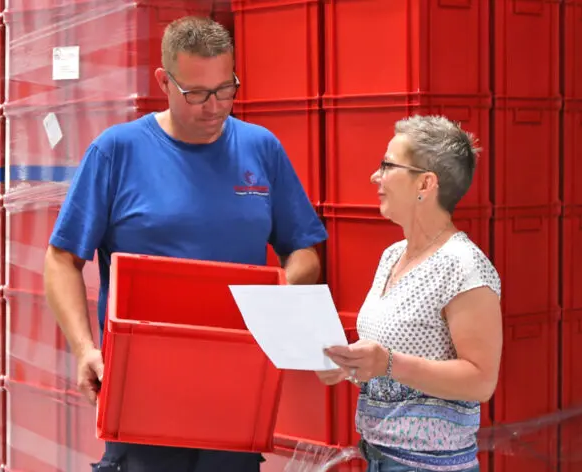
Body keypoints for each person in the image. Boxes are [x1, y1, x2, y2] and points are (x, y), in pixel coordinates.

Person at [42, 15, 328, 472]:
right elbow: (61, 259)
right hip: (143, 389)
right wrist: (84, 350)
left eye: (225, 89)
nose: (214, 107)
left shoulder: (261, 148)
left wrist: (275, 299)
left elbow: (304, 253)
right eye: (196, 93)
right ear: (164, 82)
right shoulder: (117, 151)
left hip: (237, 388)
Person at [321, 115, 503, 472]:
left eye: (387, 166)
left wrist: (387, 362)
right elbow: (388, 359)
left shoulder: (465, 266)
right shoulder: (392, 255)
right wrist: (349, 366)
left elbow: (481, 380)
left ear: (425, 183)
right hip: (377, 457)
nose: (375, 177)